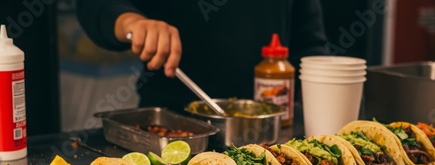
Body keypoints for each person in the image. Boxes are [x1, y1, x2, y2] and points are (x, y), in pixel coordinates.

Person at [76, 0, 329, 113]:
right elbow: (95, 5)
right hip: (174, 126)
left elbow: (310, 47)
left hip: (273, 130)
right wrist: (132, 22)